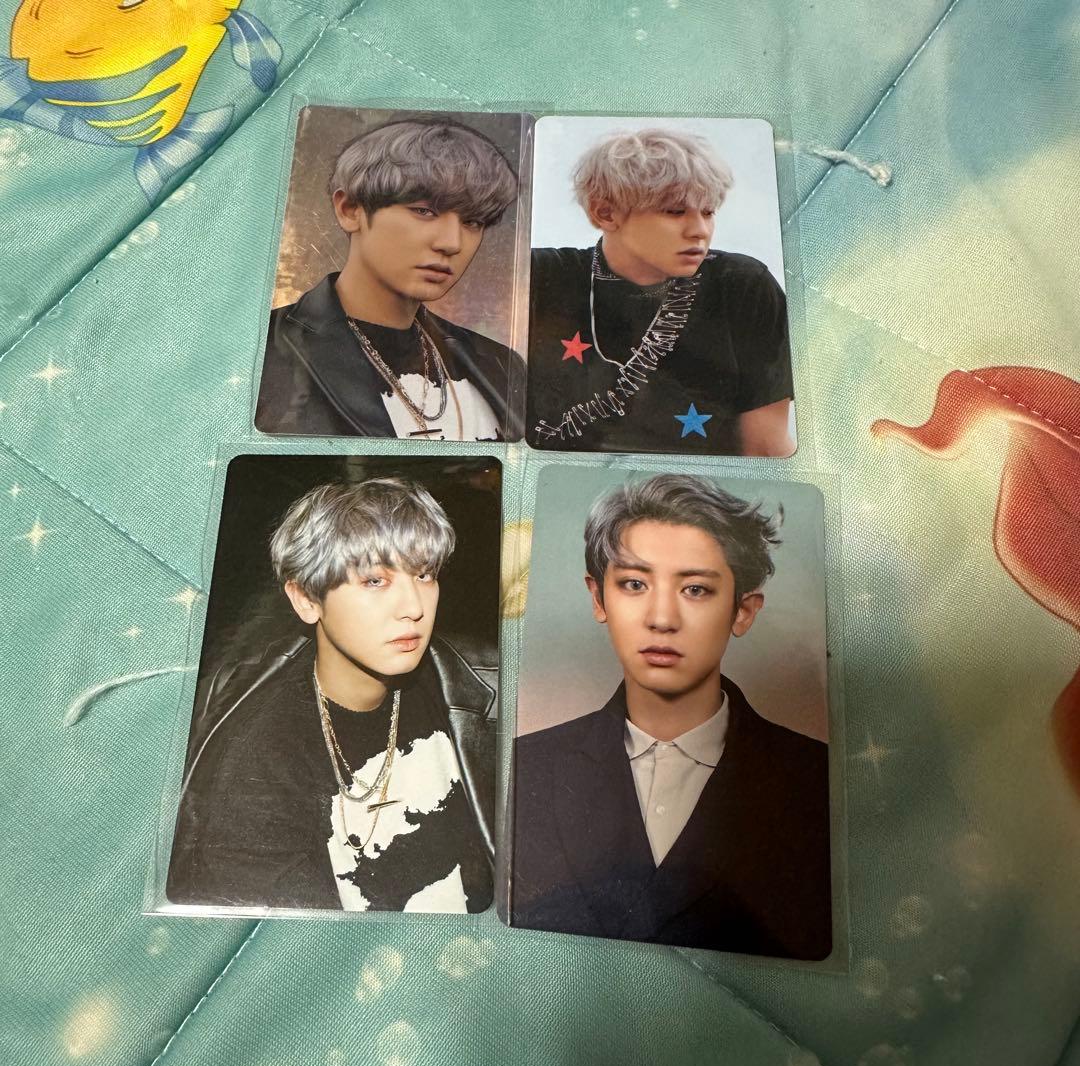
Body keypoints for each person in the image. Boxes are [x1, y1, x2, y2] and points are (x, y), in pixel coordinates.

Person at [511, 474, 831, 958]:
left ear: (743, 611)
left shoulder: (815, 780)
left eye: (696, 589)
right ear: (598, 598)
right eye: (634, 584)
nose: (661, 618)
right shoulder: (526, 766)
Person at [167, 478, 498, 912]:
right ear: (306, 599)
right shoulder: (257, 762)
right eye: (375, 581)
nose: (414, 607)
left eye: (424, 575)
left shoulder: (485, 688)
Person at [527, 127, 794, 456]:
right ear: (605, 213)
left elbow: (766, 447)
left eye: (708, 212)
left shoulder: (742, 286)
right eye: (675, 211)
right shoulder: (540, 274)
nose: (700, 231)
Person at [256, 118, 525, 441]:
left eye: (473, 221)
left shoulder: (500, 364)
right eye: (424, 211)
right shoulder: (263, 351)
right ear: (350, 209)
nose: (452, 243)